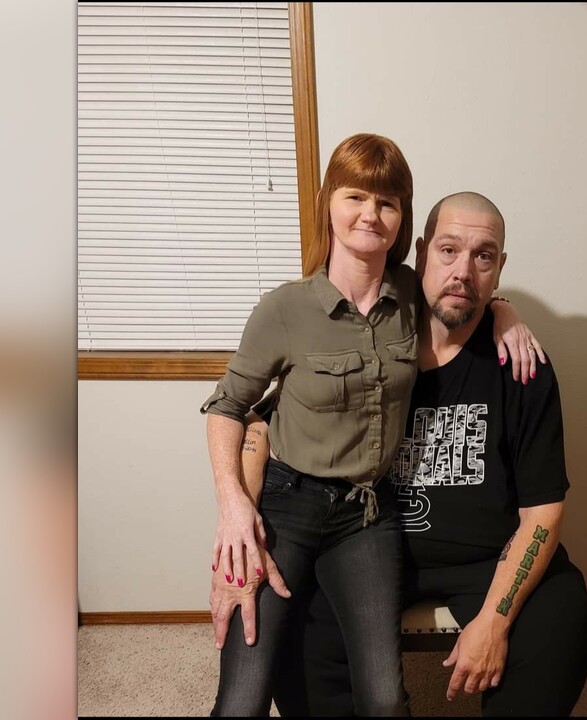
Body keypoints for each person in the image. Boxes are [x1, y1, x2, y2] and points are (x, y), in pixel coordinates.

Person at [199, 135, 544, 717]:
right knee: (244, 696)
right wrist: (234, 506)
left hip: (366, 515)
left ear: (402, 219)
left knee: (385, 699)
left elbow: (465, 288)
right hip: (287, 505)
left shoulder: (411, 294)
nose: (370, 214)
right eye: (355, 196)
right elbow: (227, 407)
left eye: (387, 202)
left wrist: (505, 313)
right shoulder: (284, 309)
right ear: (329, 204)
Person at [255, 192, 587, 716]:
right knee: (293, 638)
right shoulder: (367, 335)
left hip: (487, 559)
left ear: (500, 268)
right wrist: (236, 511)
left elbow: (543, 511)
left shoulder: (522, 365)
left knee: (562, 617)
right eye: (448, 250)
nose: (463, 272)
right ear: (420, 253)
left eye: (483, 256)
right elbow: (260, 423)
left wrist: (495, 619)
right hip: (362, 549)